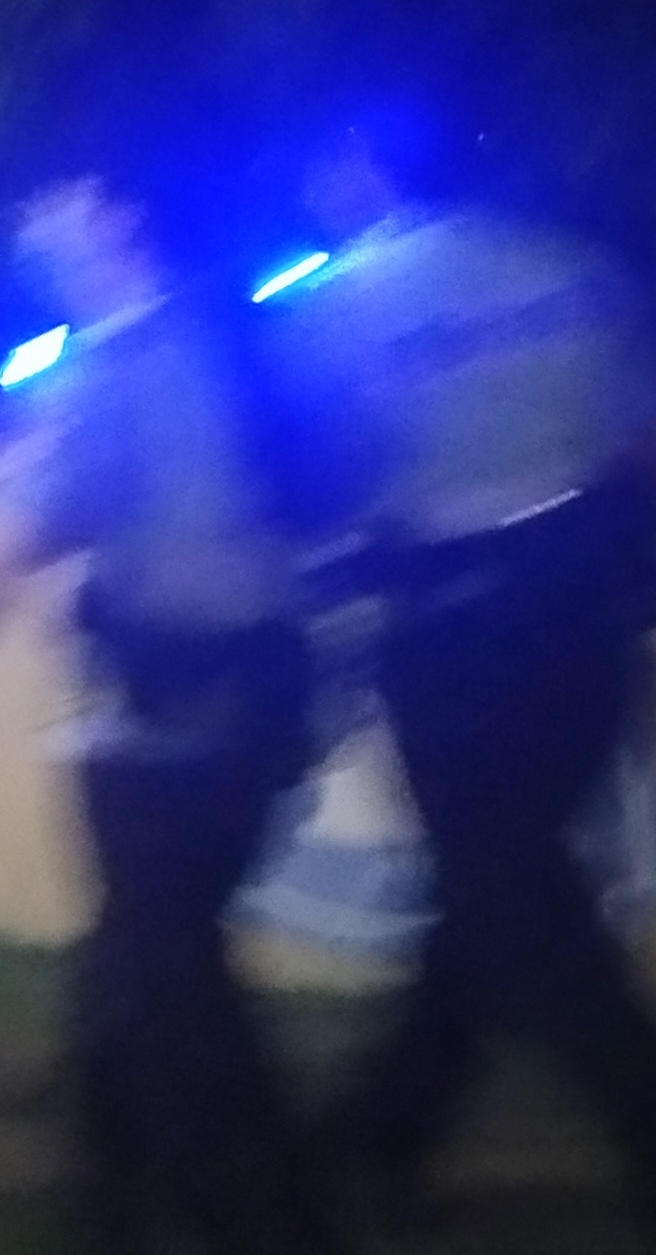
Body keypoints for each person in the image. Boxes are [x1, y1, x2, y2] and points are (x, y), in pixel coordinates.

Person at [0, 173, 344, 1254]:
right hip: (264, 689)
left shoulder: (104, 373)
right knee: (137, 953)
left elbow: (23, 540)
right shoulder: (247, 337)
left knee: (170, 979)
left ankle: (255, 1209)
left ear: (116, 223)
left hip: (160, 707)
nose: (33, 233)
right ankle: (108, 1192)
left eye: (54, 212)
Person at [290, 127, 656, 1239]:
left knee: (513, 890)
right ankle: (379, 1135)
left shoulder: (342, 300)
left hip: (454, 617)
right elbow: (635, 439)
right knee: (490, 885)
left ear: (357, 180)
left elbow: (330, 469)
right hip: (584, 611)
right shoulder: (573, 266)